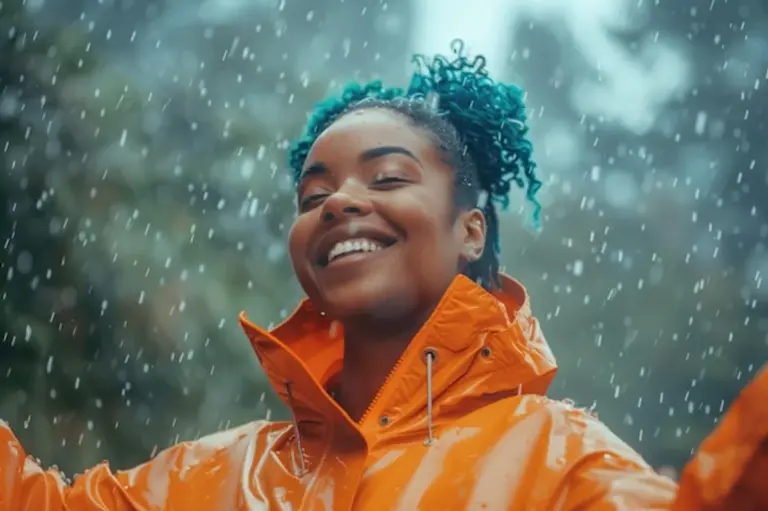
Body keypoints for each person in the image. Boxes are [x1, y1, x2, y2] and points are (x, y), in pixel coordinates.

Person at [1, 41, 766, 511]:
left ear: (472, 229)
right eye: (314, 194)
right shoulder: (218, 475)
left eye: (388, 177)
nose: (340, 203)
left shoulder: (560, 458)